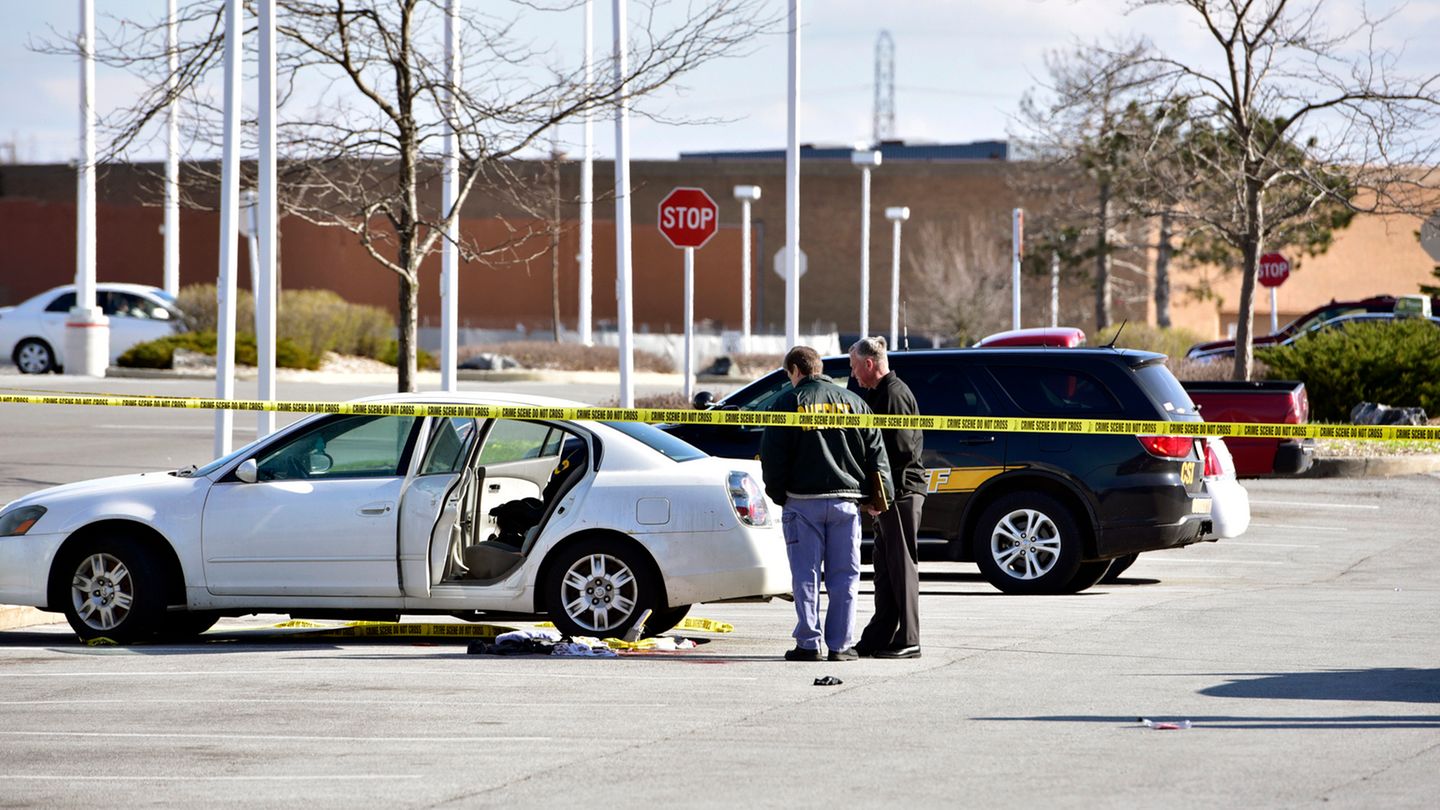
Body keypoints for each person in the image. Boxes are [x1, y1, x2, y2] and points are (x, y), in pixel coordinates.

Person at [761, 345, 892, 662]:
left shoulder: (787, 403)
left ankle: (808, 644)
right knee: (845, 576)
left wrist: (779, 495)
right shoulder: (855, 403)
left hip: (802, 503)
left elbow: (773, 457)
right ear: (818, 368)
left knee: (806, 576)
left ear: (795, 370)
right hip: (847, 504)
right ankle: (840, 645)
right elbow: (877, 454)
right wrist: (879, 496)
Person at [849, 336, 926, 659]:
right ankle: (880, 635)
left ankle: (909, 638)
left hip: (900, 493)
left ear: (869, 363)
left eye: (854, 366)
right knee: (885, 568)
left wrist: (880, 496)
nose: (853, 375)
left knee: (902, 566)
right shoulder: (880, 394)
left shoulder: (893, 396)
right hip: (889, 495)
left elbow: (899, 451)